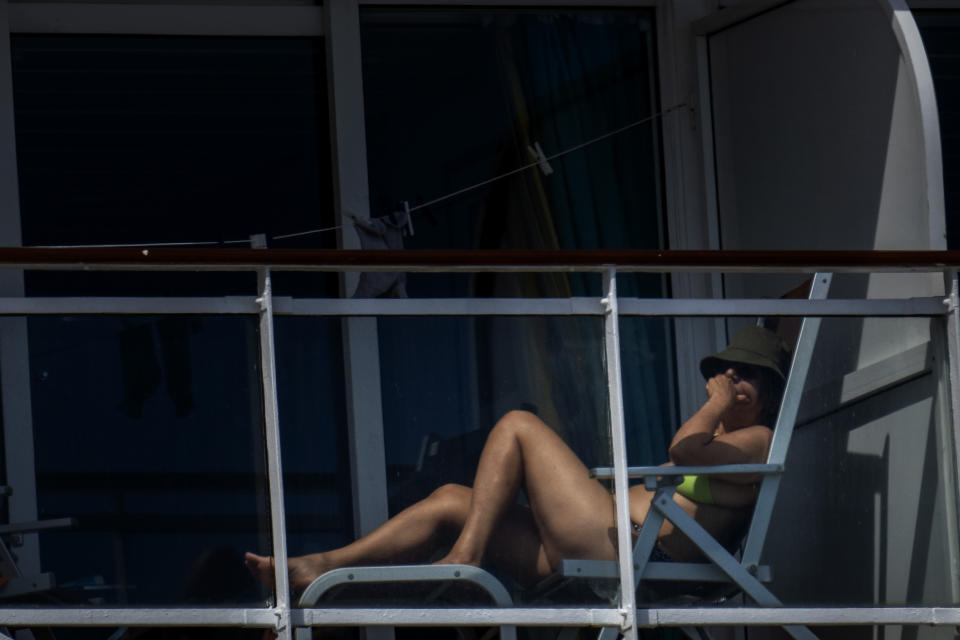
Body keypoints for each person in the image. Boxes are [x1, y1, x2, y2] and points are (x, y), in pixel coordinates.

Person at [245, 325, 789, 593]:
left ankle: (466, 560)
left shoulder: (759, 439)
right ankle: (320, 566)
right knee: (453, 499)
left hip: (633, 555)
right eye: (725, 371)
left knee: (518, 426)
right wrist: (716, 406)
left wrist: (716, 402)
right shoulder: (717, 443)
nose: (729, 380)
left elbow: (681, 449)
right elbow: (689, 449)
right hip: (599, 544)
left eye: (743, 374)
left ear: (766, 392)